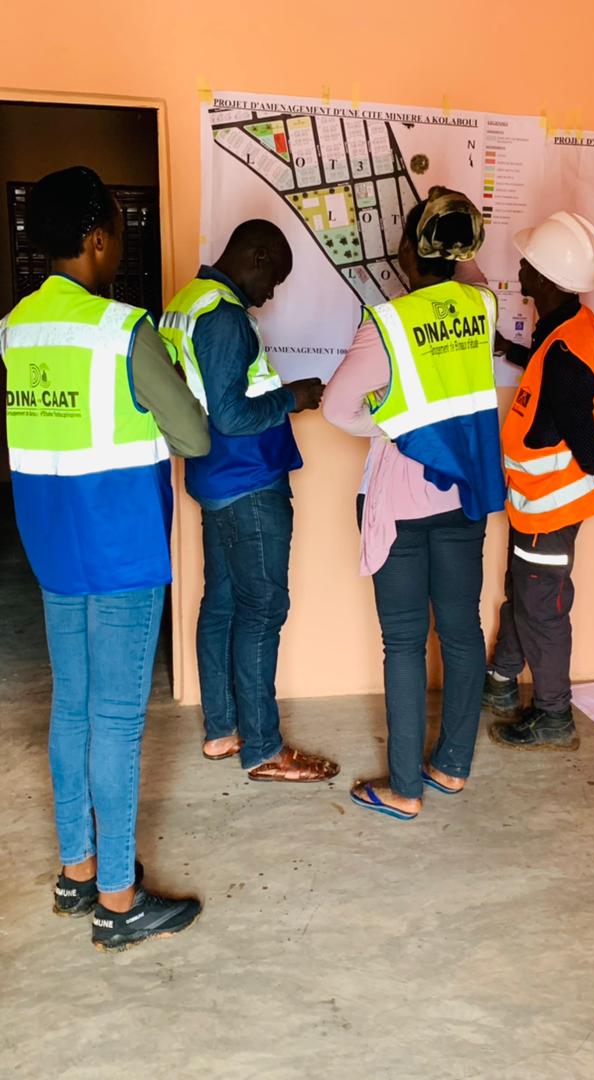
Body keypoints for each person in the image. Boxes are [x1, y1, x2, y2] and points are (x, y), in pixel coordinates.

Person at [0, 166, 210, 951]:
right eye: (118, 229)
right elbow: (191, 436)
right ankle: (119, 902)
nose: (119, 243)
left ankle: (76, 870)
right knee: (119, 722)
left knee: (74, 706)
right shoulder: (126, 330)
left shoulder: (15, 327)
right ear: (95, 240)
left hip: (51, 541)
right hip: (119, 543)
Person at [323, 186, 505, 819]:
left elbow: (337, 408)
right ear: (460, 249)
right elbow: (472, 272)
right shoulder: (481, 306)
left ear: (407, 248)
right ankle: (451, 768)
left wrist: (394, 423)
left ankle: (404, 789)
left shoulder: (389, 323)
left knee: (403, 642)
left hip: (402, 497)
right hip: (465, 496)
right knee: (459, 632)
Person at [159, 221, 338, 783]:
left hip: (214, 481)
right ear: (256, 256)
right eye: (273, 278)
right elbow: (233, 416)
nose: (270, 293)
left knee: (223, 604)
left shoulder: (187, 301)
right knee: (262, 609)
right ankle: (262, 746)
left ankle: (222, 731)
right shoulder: (226, 318)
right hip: (249, 483)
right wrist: (297, 397)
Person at [482, 212, 594, 750]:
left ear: (544, 278)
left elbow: (575, 421)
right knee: (522, 593)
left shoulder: (564, 350)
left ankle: (553, 715)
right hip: (536, 508)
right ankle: (500, 683)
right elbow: (549, 371)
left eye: (527, 261)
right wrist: (510, 351)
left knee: (541, 608)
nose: (519, 266)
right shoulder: (567, 328)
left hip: (551, 509)